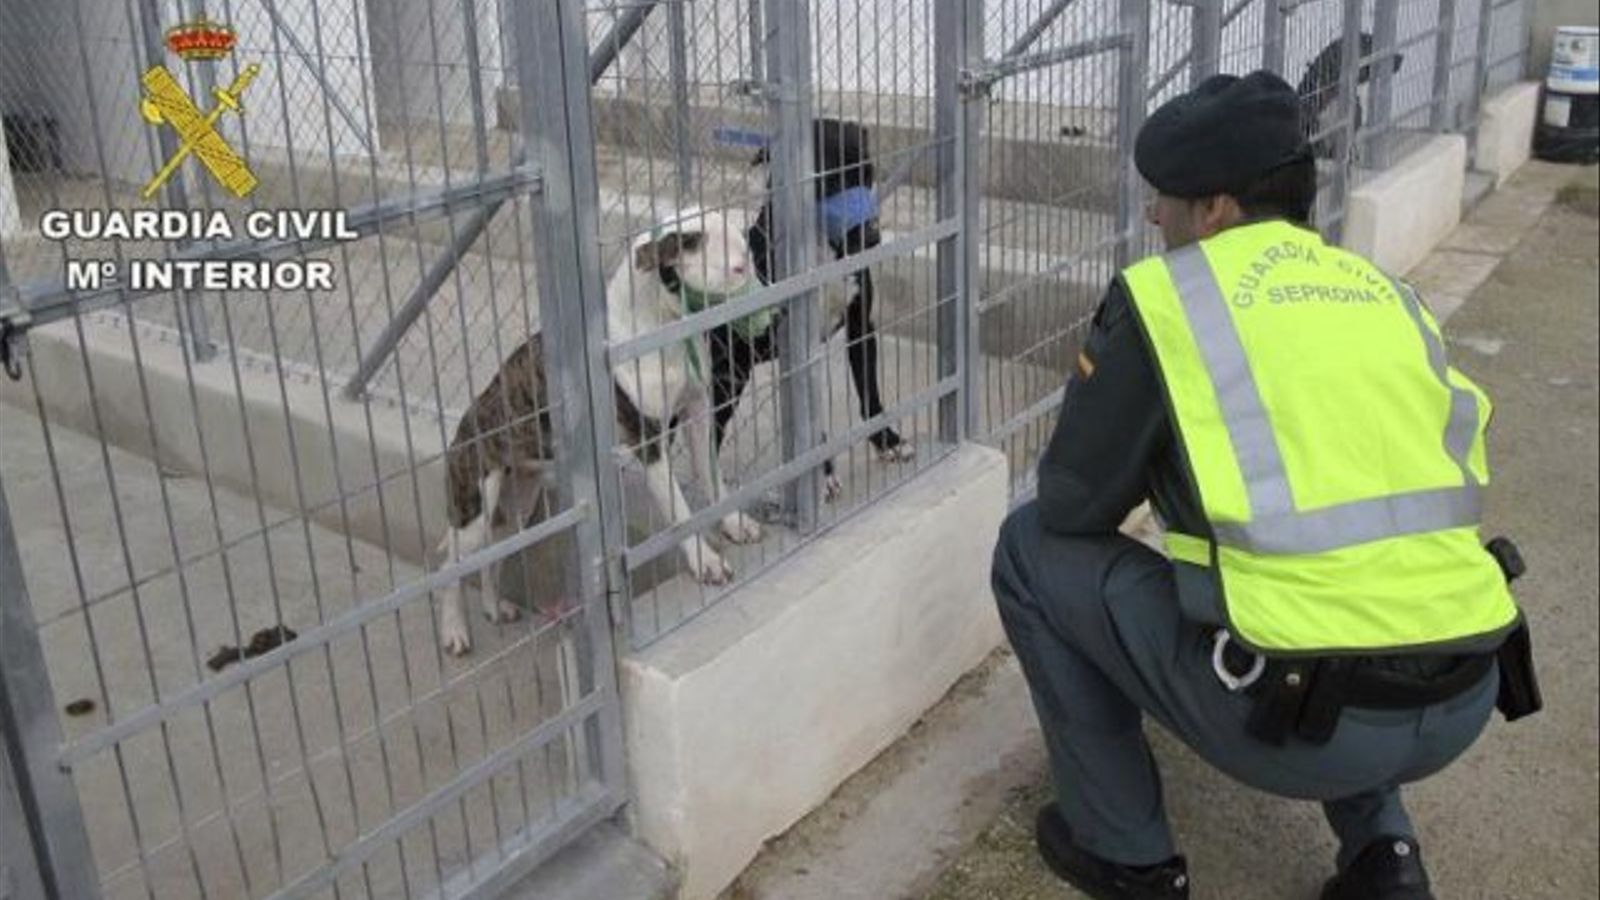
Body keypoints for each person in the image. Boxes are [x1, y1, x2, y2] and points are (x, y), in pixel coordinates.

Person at [989, 70, 1539, 900]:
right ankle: (1385, 858)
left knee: (1029, 549)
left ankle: (1124, 853)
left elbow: (1074, 505)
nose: (1150, 214)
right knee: (1348, 586)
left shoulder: (1172, 298)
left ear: (1215, 210)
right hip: (1466, 687)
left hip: (1311, 725)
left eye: (1163, 198)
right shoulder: (1387, 294)